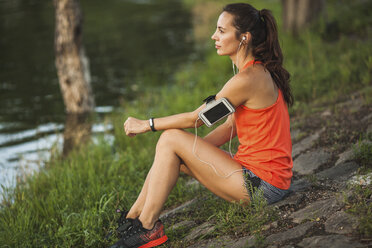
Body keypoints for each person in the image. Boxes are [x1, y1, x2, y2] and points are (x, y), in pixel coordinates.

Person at [110, 3, 293, 248]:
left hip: (263, 186)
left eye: (221, 31)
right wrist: (192, 152)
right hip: (260, 179)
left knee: (170, 138)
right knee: (174, 147)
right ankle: (134, 219)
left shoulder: (248, 79)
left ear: (243, 38)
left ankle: (147, 227)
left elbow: (198, 119)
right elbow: (231, 127)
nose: (213, 36)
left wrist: (147, 124)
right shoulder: (254, 73)